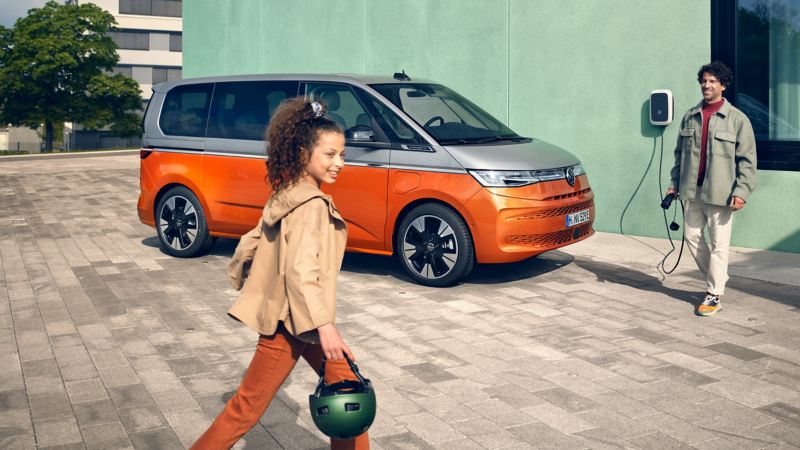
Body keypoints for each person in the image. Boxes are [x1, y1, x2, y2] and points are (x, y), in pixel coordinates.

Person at [191, 98, 369, 449]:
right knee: (246, 408)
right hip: (291, 324)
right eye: (330, 154)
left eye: (343, 155)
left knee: (349, 396)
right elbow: (301, 271)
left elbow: (252, 241)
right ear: (303, 153)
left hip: (300, 317)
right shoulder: (311, 206)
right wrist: (327, 327)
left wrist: (245, 271)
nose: (340, 163)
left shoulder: (287, 194)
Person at [666, 61, 757, 316]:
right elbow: (679, 156)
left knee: (719, 245)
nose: (707, 85)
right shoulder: (690, 116)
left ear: (723, 85)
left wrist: (741, 191)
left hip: (721, 194)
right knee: (692, 238)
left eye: (712, 81)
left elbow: (748, 161)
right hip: (691, 192)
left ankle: (714, 294)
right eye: (704, 81)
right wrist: (674, 184)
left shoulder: (738, 120)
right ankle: (717, 278)